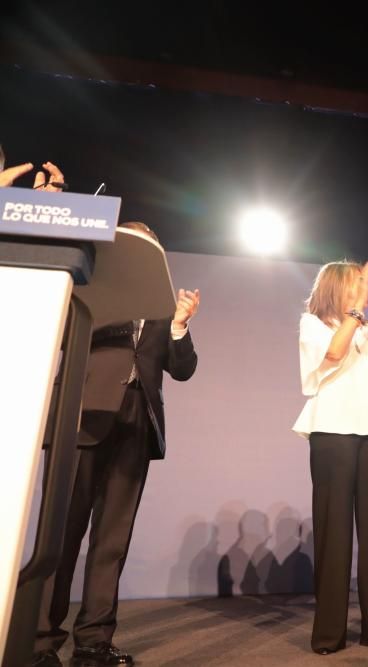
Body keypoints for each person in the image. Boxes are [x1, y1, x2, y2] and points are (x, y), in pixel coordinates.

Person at [33, 222, 200, 667]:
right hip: (82, 417)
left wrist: (180, 327)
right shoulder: (89, 290)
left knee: (112, 541)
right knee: (61, 536)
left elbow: (183, 370)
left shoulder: (164, 308)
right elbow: (61, 334)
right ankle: (40, 643)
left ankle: (93, 643)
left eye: (151, 245)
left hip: (136, 426)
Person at [292, 256, 368, 654]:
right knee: (334, 533)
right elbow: (333, 355)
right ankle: (329, 635)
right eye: (357, 280)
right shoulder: (313, 324)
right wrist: (357, 311)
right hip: (332, 434)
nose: (362, 286)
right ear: (338, 286)